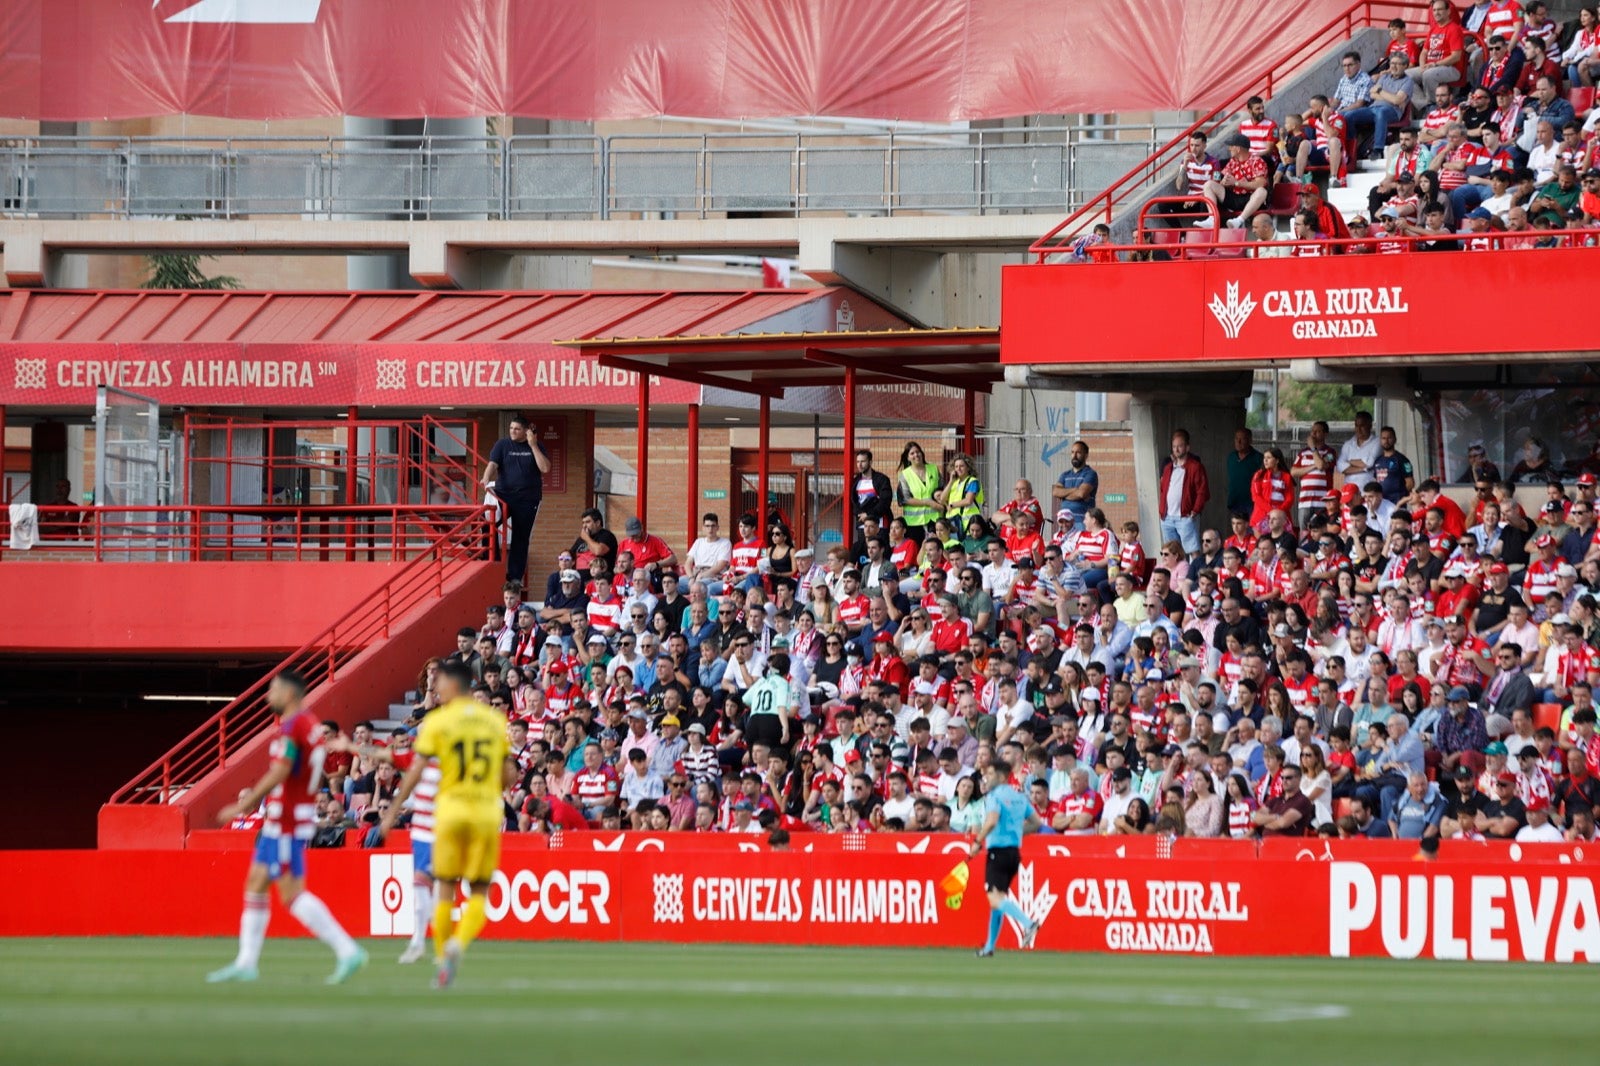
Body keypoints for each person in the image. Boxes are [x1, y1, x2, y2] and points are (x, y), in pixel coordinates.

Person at [210, 669, 368, 984]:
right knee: (255, 883)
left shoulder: (294, 726)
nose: (269, 696)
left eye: (274, 690)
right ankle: (246, 963)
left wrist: (243, 804)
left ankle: (347, 950)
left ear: (290, 694)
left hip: (286, 819)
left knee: (291, 893)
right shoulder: (311, 726)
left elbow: (281, 771)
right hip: (287, 817)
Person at [383, 659, 511, 989]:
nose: (437, 688)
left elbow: (414, 769)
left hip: (450, 813)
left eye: (441, 683)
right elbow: (509, 774)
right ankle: (458, 944)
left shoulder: (438, 722)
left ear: (454, 686)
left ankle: (442, 956)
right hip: (484, 812)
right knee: (480, 889)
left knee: (444, 886)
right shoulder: (494, 720)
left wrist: (394, 809)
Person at [967, 758, 1042, 957]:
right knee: (997, 900)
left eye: (990, 774)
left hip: (997, 852)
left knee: (994, 897)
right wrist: (1016, 832)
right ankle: (989, 947)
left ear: (1000, 777)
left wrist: (977, 842)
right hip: (1014, 854)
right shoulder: (1018, 797)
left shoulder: (995, 796)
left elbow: (991, 821)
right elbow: (1036, 822)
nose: (986, 778)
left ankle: (1029, 923)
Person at [481, 415, 550, 590]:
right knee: (487, 521)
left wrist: (533, 444)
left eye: (517, 429)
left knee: (521, 536)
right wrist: (486, 477)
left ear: (526, 431)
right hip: (504, 493)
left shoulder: (536, 446)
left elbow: (545, 468)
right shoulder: (502, 445)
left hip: (528, 498)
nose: (512, 431)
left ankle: (515, 576)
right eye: (511, 428)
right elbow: (492, 464)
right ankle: (491, 560)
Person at [1158, 428, 1210, 554]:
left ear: (1187, 448)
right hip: (1167, 517)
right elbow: (1163, 490)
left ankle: (1193, 574)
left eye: (1180, 446)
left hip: (1185, 516)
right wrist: (1161, 510)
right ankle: (1174, 574)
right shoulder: (1168, 468)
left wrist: (1195, 510)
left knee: (1193, 550)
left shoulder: (1195, 467)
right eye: (1174, 446)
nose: (1176, 449)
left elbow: (1202, 491)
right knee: (1171, 552)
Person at [895, 442, 942, 544]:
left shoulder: (933, 469)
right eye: (912, 453)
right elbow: (905, 499)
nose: (916, 455)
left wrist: (939, 497)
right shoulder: (904, 475)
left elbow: (941, 488)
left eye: (918, 452)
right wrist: (928, 502)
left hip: (934, 519)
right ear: (908, 458)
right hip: (913, 522)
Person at [1051, 440, 1098, 524]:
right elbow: (1055, 492)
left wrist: (1064, 495)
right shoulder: (1065, 475)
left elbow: (1081, 493)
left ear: (1086, 455)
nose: (1074, 456)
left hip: (1082, 522)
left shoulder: (1090, 474)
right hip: (1064, 522)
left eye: (1078, 452)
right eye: (1072, 452)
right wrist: (1075, 490)